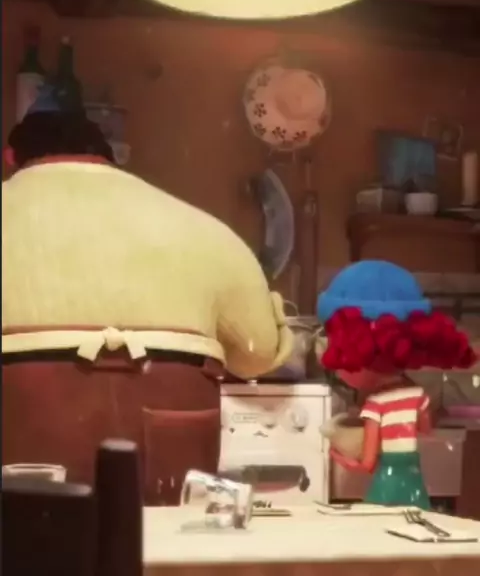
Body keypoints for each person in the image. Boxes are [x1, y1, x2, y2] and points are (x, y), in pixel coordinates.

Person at [2, 86, 293, 504]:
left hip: (17, 505)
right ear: (110, 157)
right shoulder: (204, 230)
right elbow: (258, 354)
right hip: (166, 499)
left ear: (11, 158)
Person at [317, 260, 475, 509]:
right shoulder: (418, 395)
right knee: (414, 517)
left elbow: (367, 463)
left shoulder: (375, 405)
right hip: (413, 478)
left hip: (386, 481)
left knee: (380, 519)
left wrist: (341, 458)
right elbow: (425, 431)